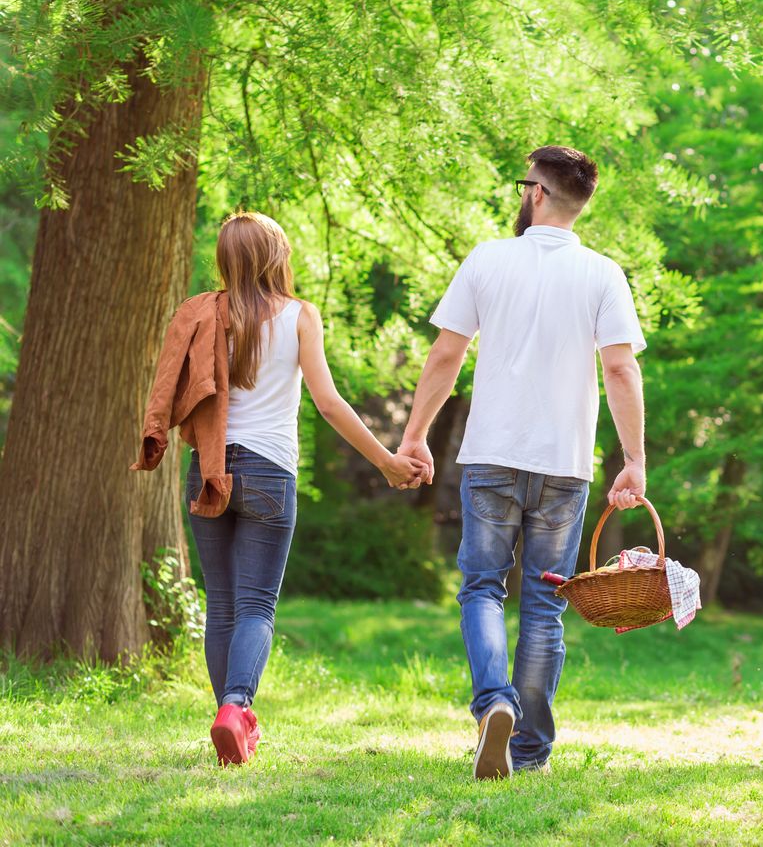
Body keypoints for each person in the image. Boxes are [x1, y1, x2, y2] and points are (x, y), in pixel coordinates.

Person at [397, 145, 648, 780]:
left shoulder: (488, 259)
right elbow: (620, 368)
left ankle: (494, 706)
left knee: (482, 587)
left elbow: (446, 355)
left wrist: (416, 435)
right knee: (544, 605)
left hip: (492, 456)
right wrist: (634, 460)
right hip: (565, 464)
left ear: (535, 191)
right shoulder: (603, 273)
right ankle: (529, 751)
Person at [138, 212, 426, 766]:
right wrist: (387, 461)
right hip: (270, 472)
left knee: (221, 605)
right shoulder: (299, 316)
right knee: (256, 607)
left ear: (225, 260)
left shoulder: (205, 315)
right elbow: (328, 402)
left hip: (209, 467)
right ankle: (236, 709)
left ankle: (229, 722)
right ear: (277, 257)